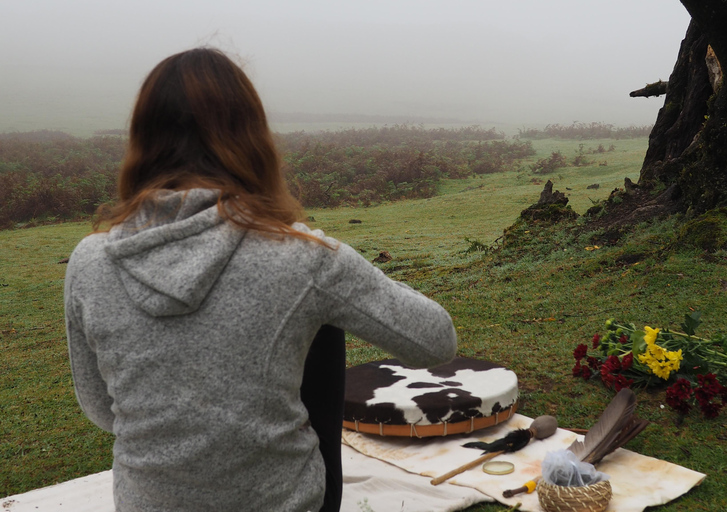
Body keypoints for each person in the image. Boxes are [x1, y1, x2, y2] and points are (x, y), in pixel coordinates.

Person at [63, 47, 457, 512]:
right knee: (319, 314)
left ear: (142, 140)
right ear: (251, 138)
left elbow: (102, 410)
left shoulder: (90, 261)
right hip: (282, 503)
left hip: (145, 504)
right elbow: (437, 341)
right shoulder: (302, 256)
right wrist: (337, 267)